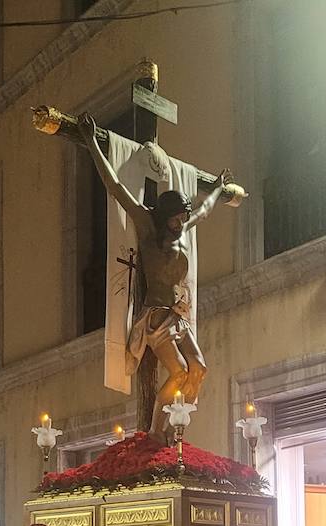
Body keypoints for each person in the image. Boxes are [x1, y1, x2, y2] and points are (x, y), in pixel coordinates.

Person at [78, 112, 233, 438]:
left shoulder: (184, 229)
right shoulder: (148, 228)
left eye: (182, 219)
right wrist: (92, 143)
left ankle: (178, 428)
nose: (180, 224)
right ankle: (155, 433)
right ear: (164, 217)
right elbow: (116, 187)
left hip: (178, 316)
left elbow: (203, 212)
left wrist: (217, 189)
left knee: (199, 369)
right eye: (175, 220)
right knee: (177, 373)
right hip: (156, 319)